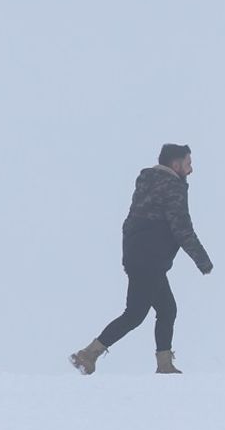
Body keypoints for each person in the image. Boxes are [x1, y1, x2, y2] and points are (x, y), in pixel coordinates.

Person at [70, 144, 212, 375]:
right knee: (136, 314)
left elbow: (132, 222)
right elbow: (181, 227)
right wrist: (202, 260)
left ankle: (163, 364)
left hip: (139, 257)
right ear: (175, 165)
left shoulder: (148, 183)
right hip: (150, 260)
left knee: (166, 309)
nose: (191, 170)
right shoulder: (172, 186)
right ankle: (88, 354)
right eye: (188, 164)